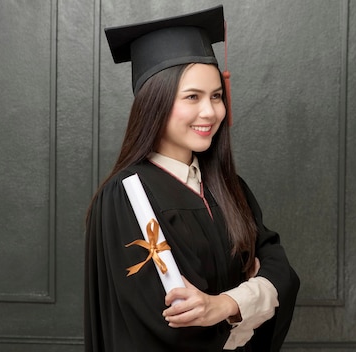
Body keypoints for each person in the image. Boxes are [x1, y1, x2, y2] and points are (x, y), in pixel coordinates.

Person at [84, 5, 300, 352]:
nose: (210, 112)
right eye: (192, 97)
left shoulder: (230, 188)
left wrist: (224, 306)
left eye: (216, 96)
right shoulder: (125, 198)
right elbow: (166, 324)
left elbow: (281, 271)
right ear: (155, 103)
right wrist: (253, 296)